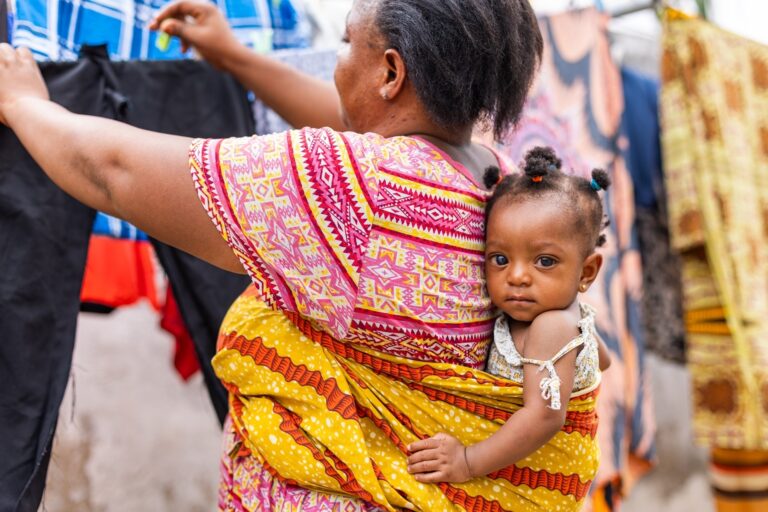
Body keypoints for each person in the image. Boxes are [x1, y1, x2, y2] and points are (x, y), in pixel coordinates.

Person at [0, 0, 601, 510]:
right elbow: (364, 128)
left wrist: (28, 104)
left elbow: (115, 172)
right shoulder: (494, 184)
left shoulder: (352, 190)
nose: (338, 63)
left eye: (346, 45)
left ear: (390, 72)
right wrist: (235, 57)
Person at [406, 146, 611, 485]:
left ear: (586, 272)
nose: (516, 276)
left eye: (544, 261)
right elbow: (601, 360)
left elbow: (544, 418)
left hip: (535, 481)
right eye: (500, 259)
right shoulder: (572, 315)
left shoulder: (551, 326)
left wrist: (468, 462)